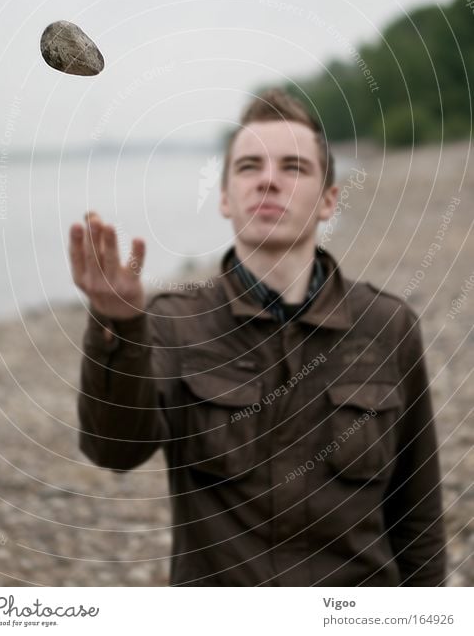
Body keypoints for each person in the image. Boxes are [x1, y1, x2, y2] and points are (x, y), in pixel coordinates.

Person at [69, 88, 447, 587]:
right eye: (249, 166)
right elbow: (114, 452)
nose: (269, 180)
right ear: (225, 197)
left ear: (329, 200)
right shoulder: (174, 324)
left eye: (294, 168)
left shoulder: (387, 326)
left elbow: (416, 510)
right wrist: (117, 324)